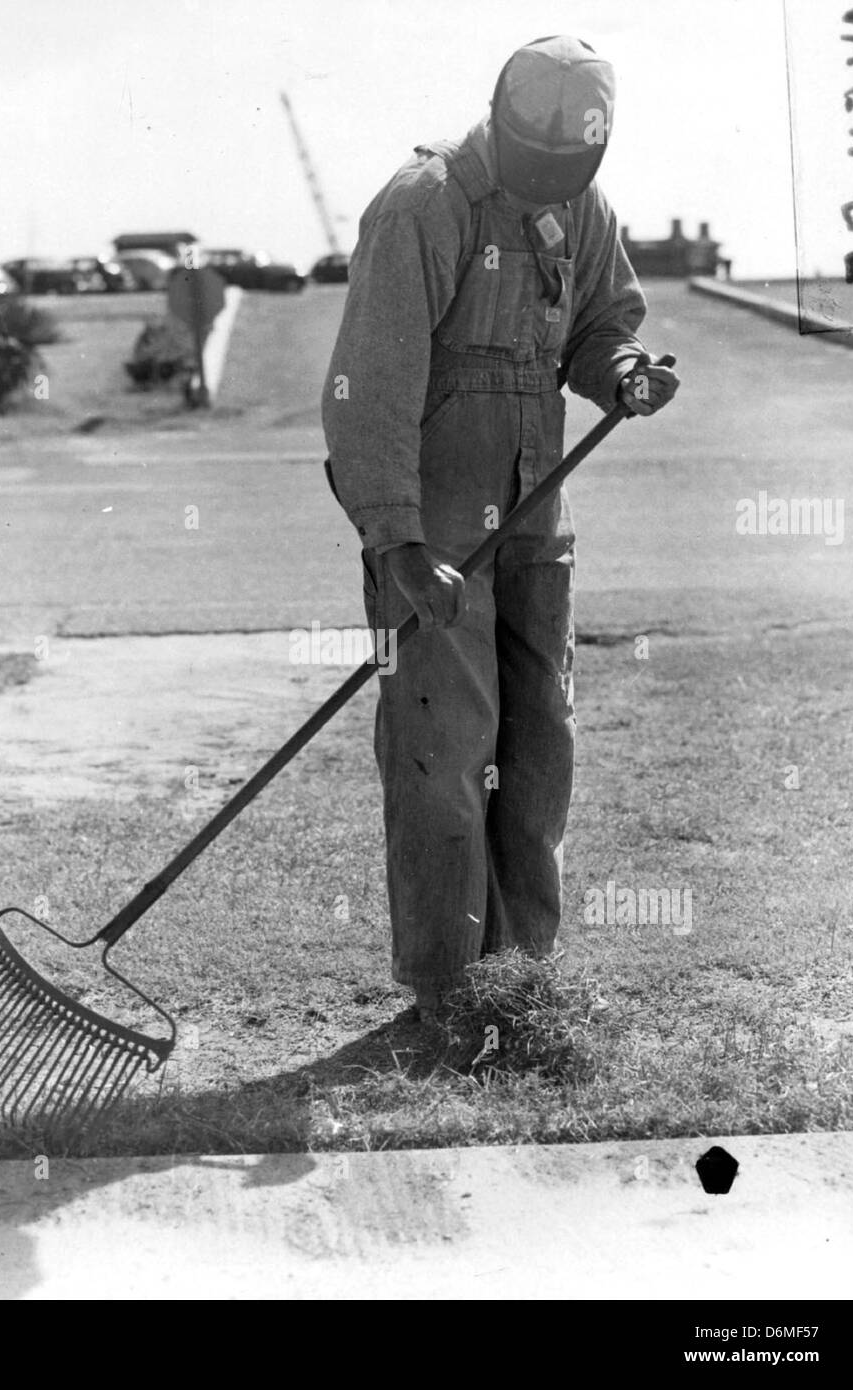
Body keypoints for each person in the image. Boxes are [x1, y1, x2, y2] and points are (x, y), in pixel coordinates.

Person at [321, 35, 680, 1021]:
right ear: (500, 126)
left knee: (537, 749)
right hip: (433, 542)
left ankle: (521, 980)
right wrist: (395, 542)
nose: (543, 193)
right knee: (442, 754)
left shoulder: (578, 204)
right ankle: (446, 990)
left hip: (533, 526)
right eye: (532, 174)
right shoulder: (421, 205)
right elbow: (368, 387)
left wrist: (623, 373)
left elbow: (603, 323)